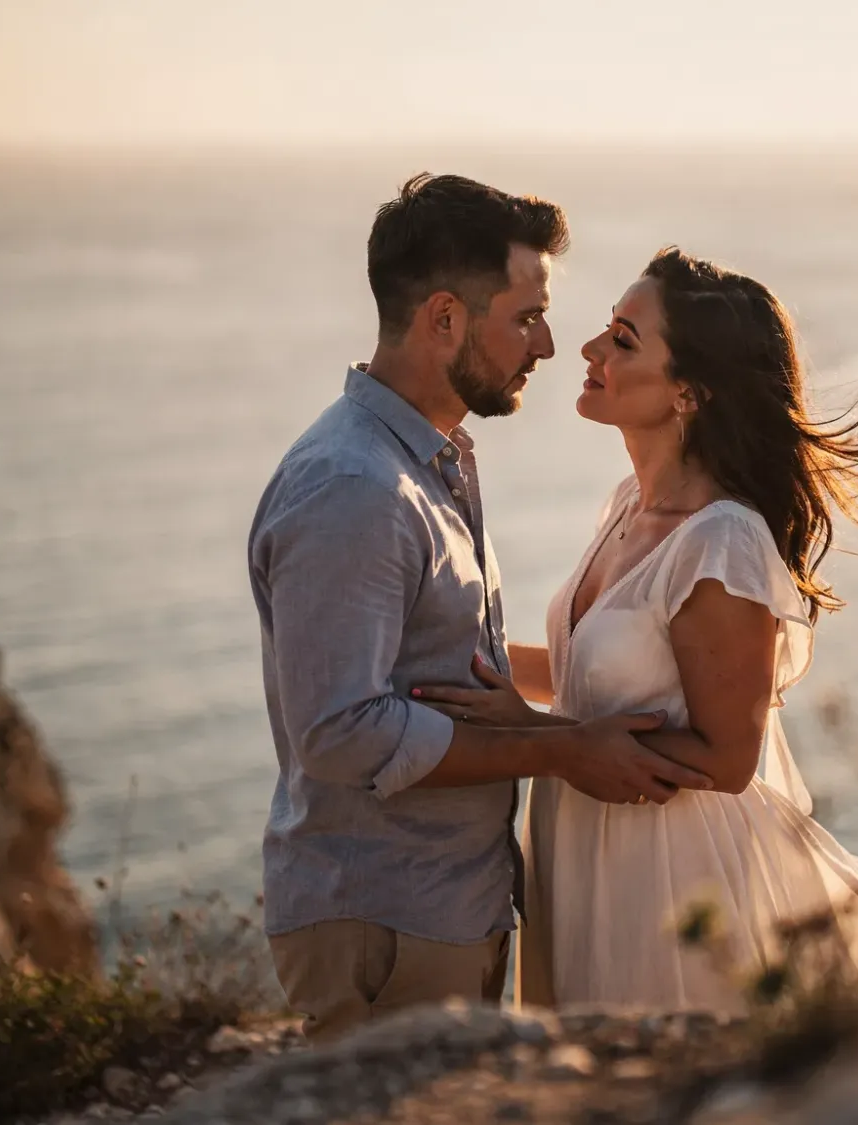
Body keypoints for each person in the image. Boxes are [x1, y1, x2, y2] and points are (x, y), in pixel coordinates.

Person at [414, 247, 858, 1010]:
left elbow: (729, 758)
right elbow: (591, 677)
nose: (591, 351)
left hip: (669, 869)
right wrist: (445, 666)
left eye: (625, 340)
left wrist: (537, 736)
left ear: (689, 392)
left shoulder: (720, 542)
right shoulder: (628, 504)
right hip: (587, 839)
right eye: (607, 329)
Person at [248, 176, 712, 1042]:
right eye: (526, 315)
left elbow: (450, 671)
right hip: (386, 922)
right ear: (446, 320)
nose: (546, 344)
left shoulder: (431, 461)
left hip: (441, 909)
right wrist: (561, 748)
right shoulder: (356, 489)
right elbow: (343, 730)